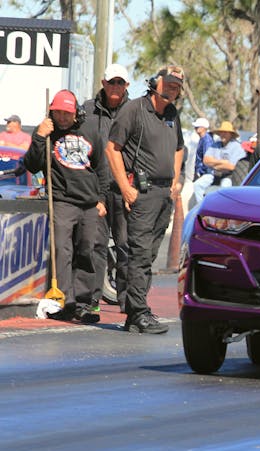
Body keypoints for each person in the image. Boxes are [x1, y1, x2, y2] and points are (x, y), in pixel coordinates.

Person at [106, 64, 185, 334]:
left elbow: (179, 148)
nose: (173, 89)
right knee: (139, 254)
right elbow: (112, 149)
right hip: (141, 192)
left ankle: (134, 311)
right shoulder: (134, 109)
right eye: (169, 83)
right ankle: (139, 312)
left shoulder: (172, 113)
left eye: (177, 86)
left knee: (148, 255)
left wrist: (175, 180)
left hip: (163, 195)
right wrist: (125, 188)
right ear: (155, 82)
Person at [23, 90, 108, 324]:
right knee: (62, 250)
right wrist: (39, 137)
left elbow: (102, 167)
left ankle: (83, 304)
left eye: (67, 113)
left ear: (76, 113)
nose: (62, 117)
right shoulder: (47, 132)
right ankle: (64, 302)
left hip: (90, 203)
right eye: (58, 112)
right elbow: (32, 165)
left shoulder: (90, 130)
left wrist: (102, 199)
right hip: (62, 201)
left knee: (87, 251)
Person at [84, 63, 131, 314]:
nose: (115, 86)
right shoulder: (87, 110)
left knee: (125, 245)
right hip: (95, 189)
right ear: (103, 83)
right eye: (111, 82)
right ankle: (91, 300)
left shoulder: (135, 110)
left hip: (124, 188)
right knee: (96, 245)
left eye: (120, 82)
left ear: (127, 86)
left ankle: (127, 301)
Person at [193, 120, 246, 204]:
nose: (222, 134)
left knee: (224, 189)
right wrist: (223, 162)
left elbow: (232, 166)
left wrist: (214, 164)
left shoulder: (237, 147)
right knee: (197, 184)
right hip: (213, 174)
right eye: (221, 132)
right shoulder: (216, 145)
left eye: (225, 132)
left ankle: (222, 210)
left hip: (229, 176)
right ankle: (202, 207)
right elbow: (206, 160)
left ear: (231, 134)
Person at [192, 117, 213, 181]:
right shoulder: (203, 139)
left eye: (197, 127)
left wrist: (200, 171)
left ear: (203, 128)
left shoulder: (207, 140)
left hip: (205, 173)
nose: (195, 128)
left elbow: (207, 157)